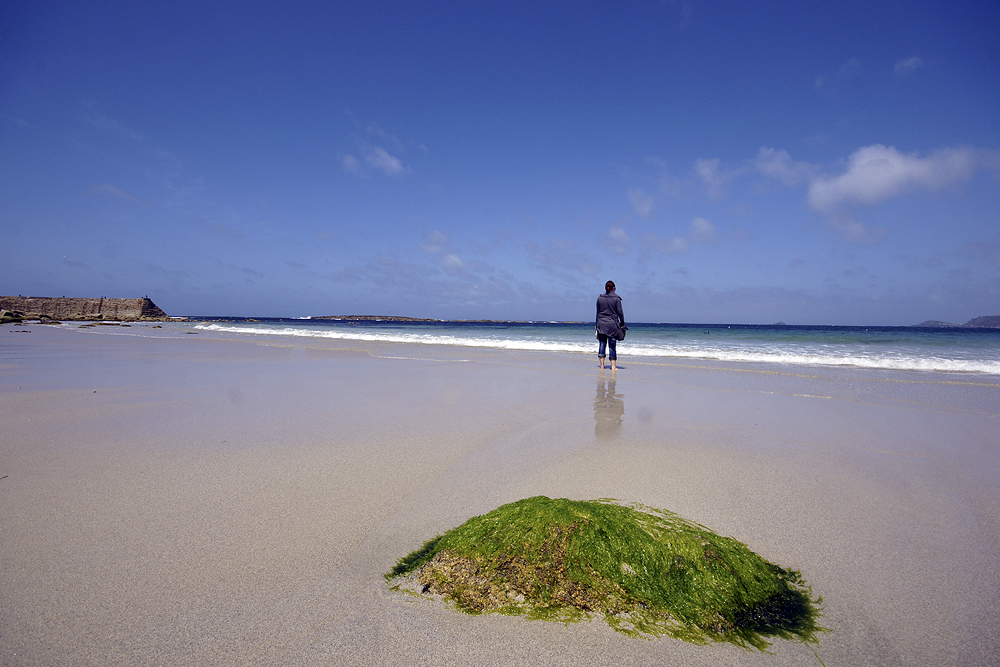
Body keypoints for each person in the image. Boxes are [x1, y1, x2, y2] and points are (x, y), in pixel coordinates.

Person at [595, 280, 625, 370]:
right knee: (612, 345)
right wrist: (622, 323)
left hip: (601, 324)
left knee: (602, 344)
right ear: (614, 288)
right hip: (612, 325)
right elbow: (620, 313)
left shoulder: (600, 298)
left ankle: (602, 366)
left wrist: (597, 324)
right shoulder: (616, 299)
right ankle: (613, 366)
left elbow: (598, 313)